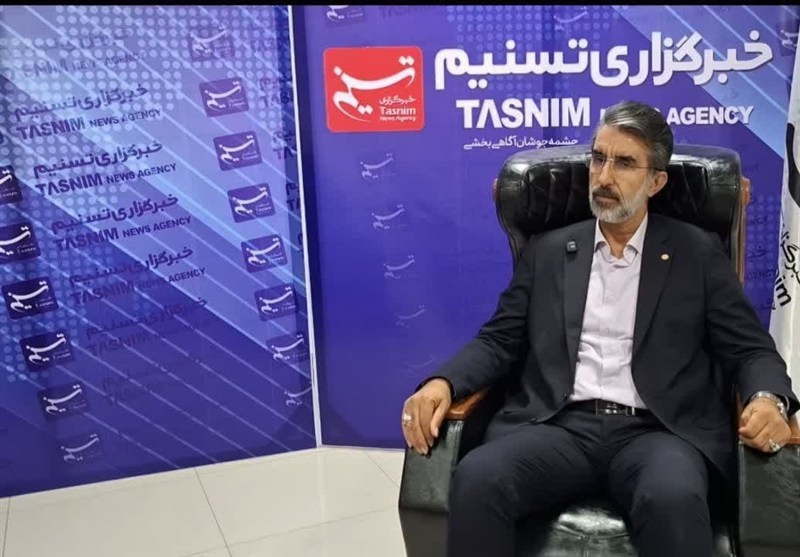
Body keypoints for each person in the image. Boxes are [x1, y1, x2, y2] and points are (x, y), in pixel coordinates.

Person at [400, 100, 798, 557]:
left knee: (672, 499)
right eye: (598, 158)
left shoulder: (697, 252)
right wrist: (443, 382)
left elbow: (749, 349)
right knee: (478, 479)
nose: (604, 176)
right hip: (560, 426)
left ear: (656, 182)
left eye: (624, 163)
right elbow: (499, 340)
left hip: (657, 432)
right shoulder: (548, 251)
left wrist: (768, 399)